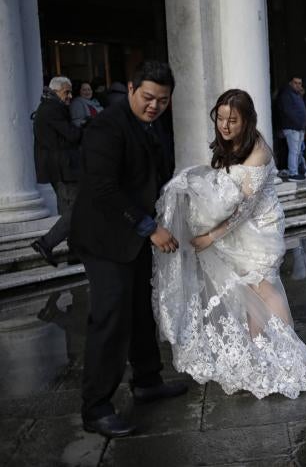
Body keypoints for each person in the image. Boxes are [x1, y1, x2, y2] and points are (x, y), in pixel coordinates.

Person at [152, 88, 306, 401]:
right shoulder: (226, 145)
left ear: (247, 121)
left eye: (232, 120)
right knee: (246, 290)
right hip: (235, 226)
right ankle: (259, 354)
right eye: (220, 118)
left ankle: (290, 358)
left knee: (263, 286)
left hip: (260, 227)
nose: (225, 125)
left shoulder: (258, 149)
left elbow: (245, 207)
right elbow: (223, 190)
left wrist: (209, 236)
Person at [69, 61, 187, 438]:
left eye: (163, 100)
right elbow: (103, 189)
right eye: (148, 97)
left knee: (140, 309)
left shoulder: (152, 124)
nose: (155, 105)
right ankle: (96, 407)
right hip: (105, 238)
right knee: (110, 317)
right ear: (132, 89)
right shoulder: (107, 126)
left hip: (132, 238)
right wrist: (149, 227)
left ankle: (148, 380)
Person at [31, 77, 82, 267]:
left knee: (71, 210)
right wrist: (83, 128)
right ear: (56, 91)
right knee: (77, 210)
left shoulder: (49, 107)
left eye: (70, 92)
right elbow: (71, 135)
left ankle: (74, 253)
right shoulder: (52, 109)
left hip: (61, 168)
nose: (70, 96)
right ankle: (46, 243)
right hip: (63, 169)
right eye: (66, 92)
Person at [279, 76, 306, 182]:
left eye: (300, 83)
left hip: (299, 128)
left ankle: (301, 170)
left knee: (298, 151)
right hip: (292, 128)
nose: (298, 85)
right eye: (295, 83)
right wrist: (299, 123)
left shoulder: (297, 95)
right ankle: (293, 173)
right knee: (294, 151)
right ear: (291, 83)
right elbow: (288, 112)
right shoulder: (287, 95)